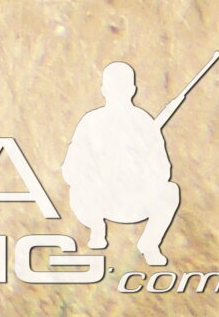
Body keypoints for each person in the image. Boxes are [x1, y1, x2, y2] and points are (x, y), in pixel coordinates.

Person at [65, 62, 182, 267]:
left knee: (169, 192)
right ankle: (97, 228)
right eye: (113, 88)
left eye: (121, 88)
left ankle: (150, 244)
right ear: (104, 90)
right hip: (99, 201)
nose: (117, 93)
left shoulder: (144, 123)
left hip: (135, 201)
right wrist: (94, 177)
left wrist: (139, 169)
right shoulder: (90, 122)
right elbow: (71, 168)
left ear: (132, 90)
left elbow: (163, 170)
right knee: (76, 191)